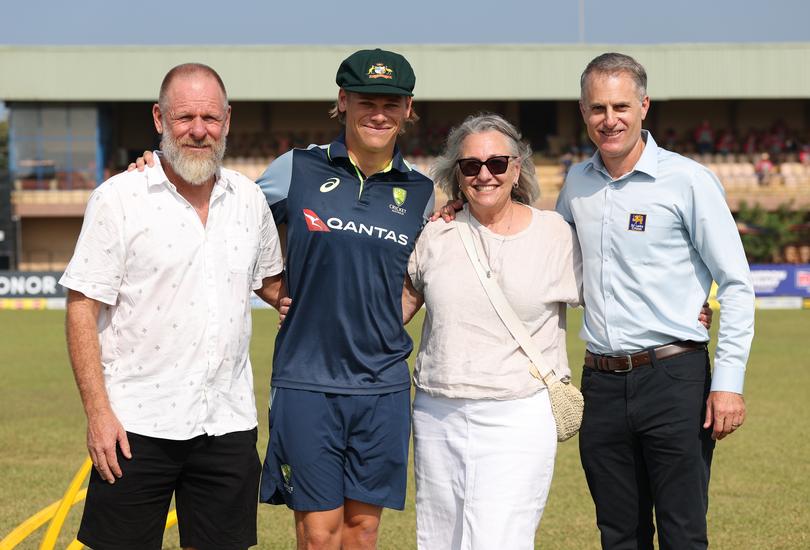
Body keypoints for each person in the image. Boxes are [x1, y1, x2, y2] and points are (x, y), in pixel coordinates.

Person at [61, 63, 284, 550]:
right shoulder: (119, 198)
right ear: (159, 119)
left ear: (228, 119)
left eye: (210, 117)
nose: (198, 131)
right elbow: (81, 307)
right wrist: (98, 414)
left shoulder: (249, 201)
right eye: (185, 118)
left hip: (226, 423)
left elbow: (274, 287)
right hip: (135, 426)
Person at [557, 52, 755, 549]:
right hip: (599, 383)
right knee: (618, 535)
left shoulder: (688, 180)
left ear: (644, 106)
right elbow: (547, 257)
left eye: (620, 106)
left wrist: (728, 383)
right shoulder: (576, 184)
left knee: (683, 534)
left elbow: (736, 283)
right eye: (597, 108)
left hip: (675, 379)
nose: (610, 119)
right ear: (583, 112)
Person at [257, 49, 435, 549]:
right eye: (367, 100)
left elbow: (426, 274)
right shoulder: (295, 168)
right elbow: (231, 228)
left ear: (408, 109)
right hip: (306, 381)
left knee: (363, 530)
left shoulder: (422, 193)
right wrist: (274, 291)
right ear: (343, 101)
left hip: (382, 386)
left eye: (392, 103)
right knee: (319, 534)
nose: (379, 113)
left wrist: (396, 308)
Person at [401, 114, 581, 549]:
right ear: (456, 175)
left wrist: (692, 311)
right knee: (439, 539)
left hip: (517, 413)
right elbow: (395, 311)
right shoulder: (436, 233)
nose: (484, 175)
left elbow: (613, 300)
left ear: (517, 169)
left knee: (500, 540)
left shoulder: (555, 235)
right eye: (471, 166)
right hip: (436, 412)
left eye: (497, 164)